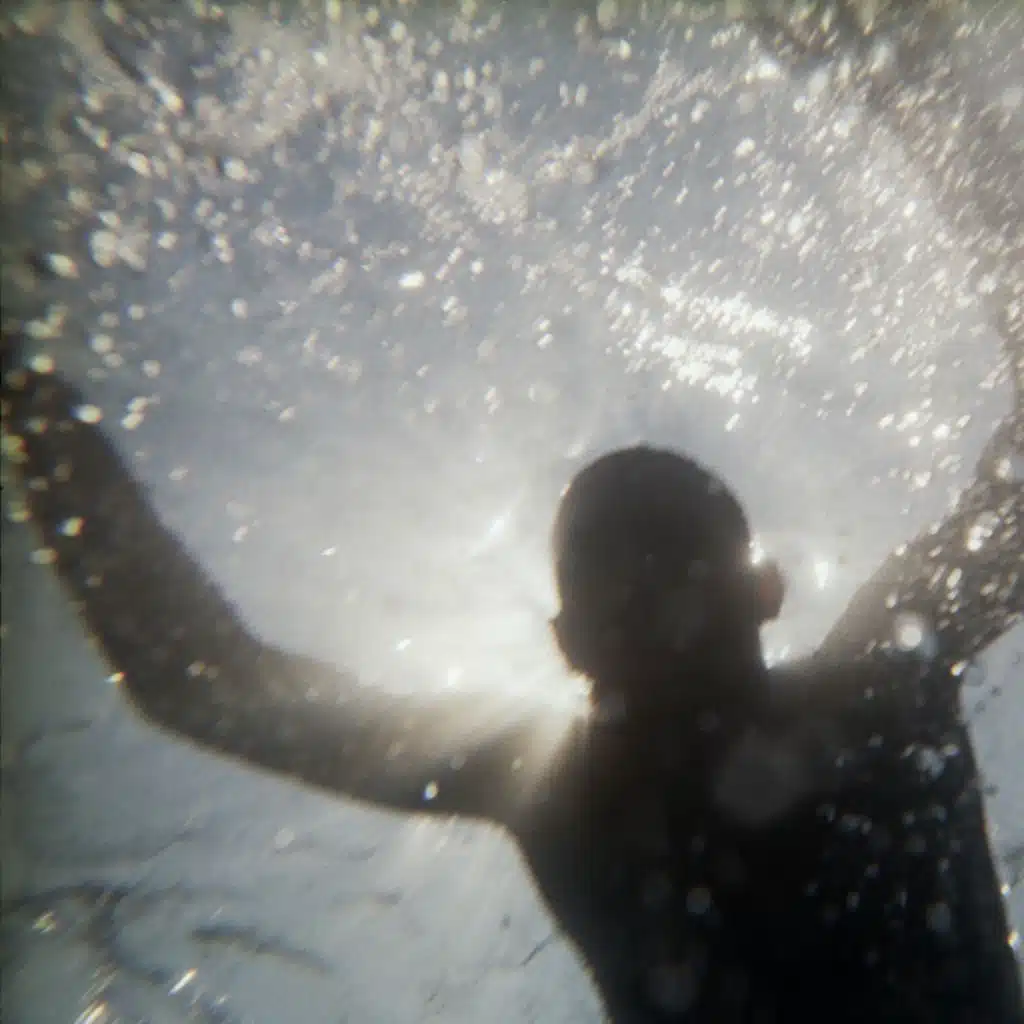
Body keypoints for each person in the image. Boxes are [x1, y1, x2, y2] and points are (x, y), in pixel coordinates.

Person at [3, 349, 1023, 1022]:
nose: (654, 609)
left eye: (673, 572)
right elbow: (202, 683)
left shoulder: (573, 790)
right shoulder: (881, 679)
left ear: (765, 592)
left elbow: (204, 683)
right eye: (621, 591)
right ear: (569, 644)